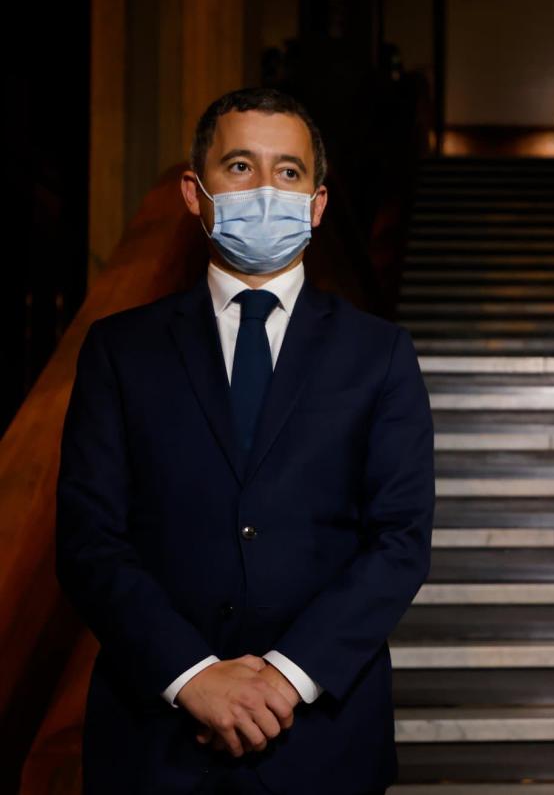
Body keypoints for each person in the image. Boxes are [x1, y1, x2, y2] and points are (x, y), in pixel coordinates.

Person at [56, 88, 434, 794]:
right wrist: (193, 675)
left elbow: (400, 540)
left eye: (289, 172)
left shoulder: (378, 354)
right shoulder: (120, 350)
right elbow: (88, 538)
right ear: (194, 193)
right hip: (155, 739)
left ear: (318, 204)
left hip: (323, 742)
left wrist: (285, 680)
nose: (266, 189)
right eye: (240, 166)